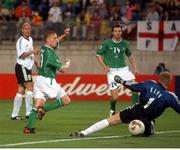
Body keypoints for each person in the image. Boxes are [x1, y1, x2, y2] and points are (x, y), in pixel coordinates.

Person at [70, 71, 180, 137]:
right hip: (147, 117)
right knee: (145, 133)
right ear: (170, 81)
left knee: (111, 120)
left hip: (136, 110)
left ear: (159, 79)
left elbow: (133, 86)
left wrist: (121, 81)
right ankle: (150, 126)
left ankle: (84, 132)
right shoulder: (170, 96)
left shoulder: (149, 83)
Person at [23, 28, 71, 134]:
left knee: (37, 104)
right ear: (48, 40)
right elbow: (62, 70)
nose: (56, 40)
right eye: (54, 39)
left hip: (39, 80)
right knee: (66, 100)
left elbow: (58, 40)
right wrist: (68, 63)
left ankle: (28, 128)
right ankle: (43, 110)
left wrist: (64, 35)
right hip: (47, 80)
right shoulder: (51, 54)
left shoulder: (44, 47)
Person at [96, 24, 139, 116]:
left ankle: (136, 111)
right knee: (115, 97)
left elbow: (130, 56)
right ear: (112, 32)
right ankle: (112, 110)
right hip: (112, 72)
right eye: (116, 31)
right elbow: (98, 55)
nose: (118, 32)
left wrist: (135, 67)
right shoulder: (106, 43)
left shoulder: (125, 43)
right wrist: (104, 66)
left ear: (121, 32)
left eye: (119, 31)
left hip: (124, 70)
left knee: (135, 88)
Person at [11, 22, 39, 120]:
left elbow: (31, 53)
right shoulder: (20, 41)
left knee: (21, 90)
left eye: (29, 28)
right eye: (25, 28)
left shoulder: (30, 39)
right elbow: (21, 55)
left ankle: (14, 115)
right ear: (22, 30)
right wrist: (32, 52)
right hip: (22, 66)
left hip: (25, 67)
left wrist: (36, 62)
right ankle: (29, 113)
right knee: (30, 88)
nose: (28, 30)